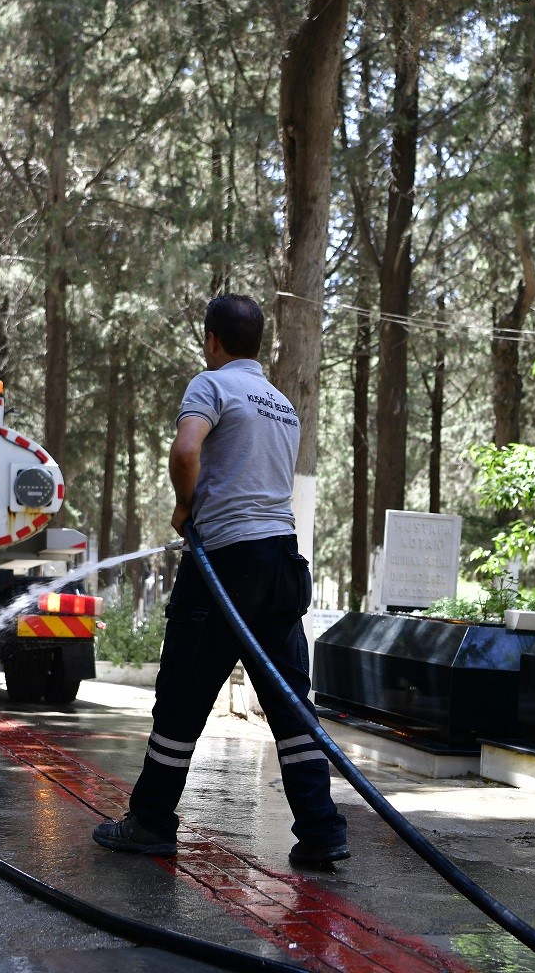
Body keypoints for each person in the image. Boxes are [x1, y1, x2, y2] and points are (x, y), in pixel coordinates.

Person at [92, 294, 350, 868]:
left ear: (212, 340)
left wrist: (186, 507)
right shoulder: (284, 405)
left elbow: (187, 449)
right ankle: (322, 830)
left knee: (181, 698)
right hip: (283, 564)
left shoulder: (211, 385)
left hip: (224, 567)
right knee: (290, 706)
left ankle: (151, 821)